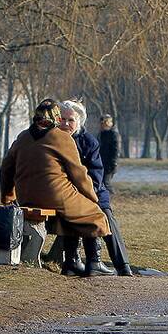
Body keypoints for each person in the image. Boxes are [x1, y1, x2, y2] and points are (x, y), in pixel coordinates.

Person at [0, 99, 110, 275]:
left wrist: (8, 197)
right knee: (94, 214)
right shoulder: (61, 137)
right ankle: (94, 262)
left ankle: (72, 262)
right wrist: (92, 197)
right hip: (54, 194)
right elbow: (78, 172)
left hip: (26, 196)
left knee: (67, 215)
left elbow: (6, 168)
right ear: (56, 118)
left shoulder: (22, 137)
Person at [60, 100, 133, 276]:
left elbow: (96, 176)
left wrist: (87, 192)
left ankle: (122, 265)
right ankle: (87, 261)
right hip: (67, 193)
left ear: (79, 121)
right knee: (83, 211)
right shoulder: (55, 140)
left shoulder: (88, 141)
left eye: (71, 120)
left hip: (92, 190)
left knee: (106, 214)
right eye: (62, 119)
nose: (66, 124)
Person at [97, 115, 121, 191]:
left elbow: (115, 150)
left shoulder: (113, 134)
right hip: (102, 162)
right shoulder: (102, 134)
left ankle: (111, 195)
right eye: (101, 123)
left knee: (106, 182)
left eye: (104, 123)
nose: (102, 125)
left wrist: (113, 163)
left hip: (109, 163)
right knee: (102, 182)